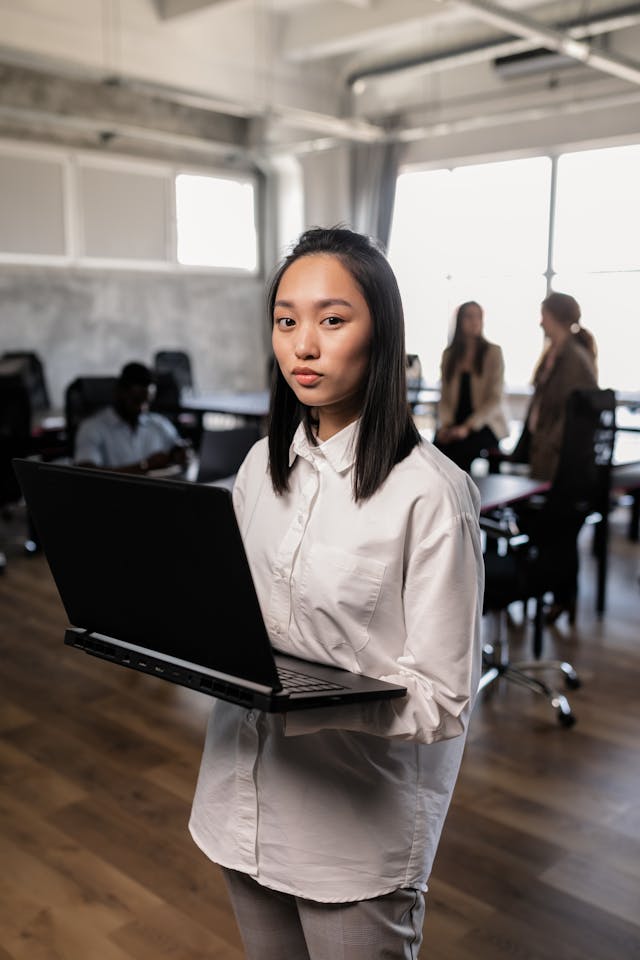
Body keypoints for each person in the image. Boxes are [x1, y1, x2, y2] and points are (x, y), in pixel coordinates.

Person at [189, 227, 484, 959]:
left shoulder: (431, 495)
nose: (303, 346)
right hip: (240, 801)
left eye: (331, 319)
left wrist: (305, 703)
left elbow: (443, 698)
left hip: (351, 839)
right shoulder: (262, 466)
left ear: (380, 332)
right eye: (286, 321)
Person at [522, 291, 598, 482]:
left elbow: (572, 413)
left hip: (556, 455)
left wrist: (549, 444)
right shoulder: (555, 353)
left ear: (556, 317)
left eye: (544, 316)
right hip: (545, 448)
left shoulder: (573, 358)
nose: (541, 323)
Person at [434, 301, 509, 473]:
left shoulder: (493, 352)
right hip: (455, 421)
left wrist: (467, 428)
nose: (474, 321)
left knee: (461, 451)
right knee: (434, 451)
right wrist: (446, 426)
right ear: (459, 321)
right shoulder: (450, 355)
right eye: (469, 316)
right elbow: (445, 397)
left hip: (485, 422)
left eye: (478, 317)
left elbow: (494, 400)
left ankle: (467, 497)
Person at [74, 361, 188, 473]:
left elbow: (179, 447)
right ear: (119, 392)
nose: (143, 409)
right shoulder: (92, 428)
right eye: (136, 401)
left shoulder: (159, 423)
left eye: (147, 403)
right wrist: (144, 466)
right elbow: (88, 475)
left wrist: (182, 453)